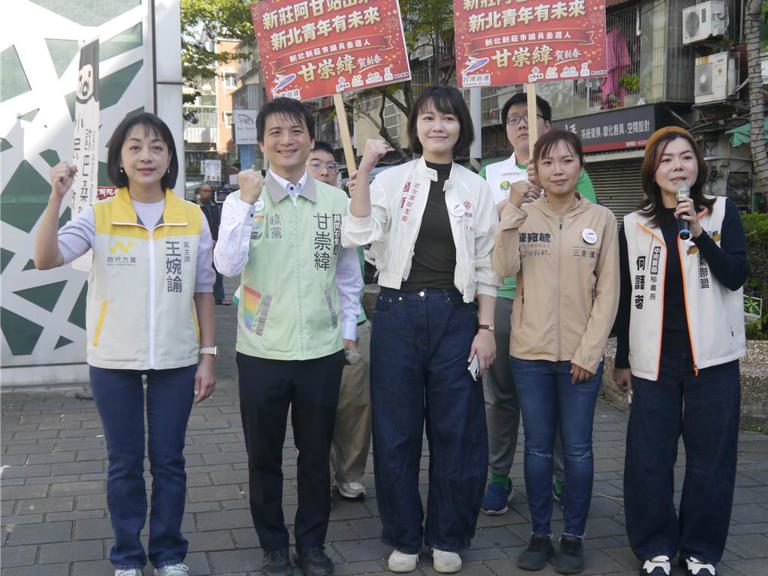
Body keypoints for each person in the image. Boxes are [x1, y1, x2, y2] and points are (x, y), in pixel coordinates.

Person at [34, 112, 216, 576]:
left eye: (156, 147)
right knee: (124, 463)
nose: (146, 156)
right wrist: (55, 198)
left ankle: (169, 554)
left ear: (170, 158)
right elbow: (45, 258)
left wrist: (208, 357)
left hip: (176, 358)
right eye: (134, 147)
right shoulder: (99, 216)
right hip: (113, 360)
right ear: (119, 159)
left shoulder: (192, 217)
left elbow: (203, 291)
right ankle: (128, 557)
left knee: (170, 461)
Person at [343, 85, 499, 574]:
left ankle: (448, 535)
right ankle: (404, 536)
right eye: (428, 118)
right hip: (397, 313)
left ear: (461, 127)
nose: (438, 126)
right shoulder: (391, 180)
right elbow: (359, 233)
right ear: (415, 127)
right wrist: (365, 170)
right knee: (396, 433)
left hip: (457, 316)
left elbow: (487, 263)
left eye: (448, 118)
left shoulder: (476, 187)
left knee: (458, 431)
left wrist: (486, 327)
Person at [214, 98, 363, 576]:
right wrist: (244, 203)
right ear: (262, 143)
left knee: (316, 456)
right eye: (275, 133)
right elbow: (227, 266)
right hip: (261, 350)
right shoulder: (244, 201)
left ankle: (312, 545)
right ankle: (274, 546)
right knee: (264, 457)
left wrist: (347, 333)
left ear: (311, 139)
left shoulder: (335, 202)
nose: (286, 140)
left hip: (321, 350)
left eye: (296, 131)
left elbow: (348, 275)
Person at [613, 127, 747, 576]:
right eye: (666, 159)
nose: (677, 167)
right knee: (650, 457)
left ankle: (701, 550)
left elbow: (736, 275)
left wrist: (699, 233)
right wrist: (623, 359)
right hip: (654, 358)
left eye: (685, 157)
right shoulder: (634, 225)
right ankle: (654, 547)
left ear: (698, 166)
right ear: (653, 170)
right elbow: (627, 296)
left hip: (713, 357)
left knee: (712, 458)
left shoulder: (722, 212)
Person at [492, 130, 618, 574]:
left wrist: (590, 352)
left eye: (567, 160)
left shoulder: (602, 218)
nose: (558, 170)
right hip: (530, 354)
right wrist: (511, 209)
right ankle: (540, 534)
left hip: (581, 358)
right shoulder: (524, 214)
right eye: (548, 162)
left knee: (578, 450)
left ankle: (574, 537)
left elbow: (609, 292)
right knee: (538, 448)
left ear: (580, 166)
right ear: (536, 170)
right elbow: (503, 267)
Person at [479, 92, 597, 515]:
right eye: (513, 119)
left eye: (529, 117)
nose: (521, 124)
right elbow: (479, 229)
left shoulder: (570, 170)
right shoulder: (490, 173)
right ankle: (497, 475)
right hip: (504, 296)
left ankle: (562, 477)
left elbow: (589, 224)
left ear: (547, 124)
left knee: (560, 395)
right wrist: (515, 197)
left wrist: (547, 181)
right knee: (501, 398)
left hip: (558, 301)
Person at [307, 141, 372, 501]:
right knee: (314, 409)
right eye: (315, 164)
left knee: (354, 406)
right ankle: (316, 474)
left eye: (331, 166)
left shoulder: (350, 209)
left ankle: (349, 473)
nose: (324, 172)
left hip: (352, 323)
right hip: (309, 326)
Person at [198, 182, 230, 305]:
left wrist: (218, 240)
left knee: (217, 270)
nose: (207, 193)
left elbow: (219, 225)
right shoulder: (195, 207)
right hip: (200, 243)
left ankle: (219, 297)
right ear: (200, 193)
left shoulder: (215, 207)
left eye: (209, 191)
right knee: (201, 270)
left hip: (216, 243)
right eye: (205, 191)